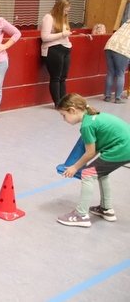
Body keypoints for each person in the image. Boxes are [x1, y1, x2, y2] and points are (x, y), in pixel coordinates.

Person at [56, 93, 130, 227]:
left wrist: (75, 167)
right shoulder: (93, 116)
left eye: (64, 115)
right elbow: (96, 148)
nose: (63, 119)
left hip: (121, 149)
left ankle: (81, 215)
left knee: (88, 174)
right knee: (100, 173)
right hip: (124, 147)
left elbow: (90, 152)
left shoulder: (86, 126)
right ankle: (106, 209)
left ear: (72, 110)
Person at [40, 0, 73, 107]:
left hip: (65, 48)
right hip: (53, 49)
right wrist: (62, 34)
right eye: (65, 10)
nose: (66, 13)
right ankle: (57, 103)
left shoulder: (63, 18)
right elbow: (45, 37)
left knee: (63, 77)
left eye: (68, 11)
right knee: (56, 77)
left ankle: (64, 102)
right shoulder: (49, 17)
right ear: (59, 8)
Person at [103, 20, 130, 103]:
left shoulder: (127, 22)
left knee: (110, 72)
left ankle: (107, 96)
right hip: (122, 49)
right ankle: (118, 98)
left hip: (109, 46)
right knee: (120, 74)